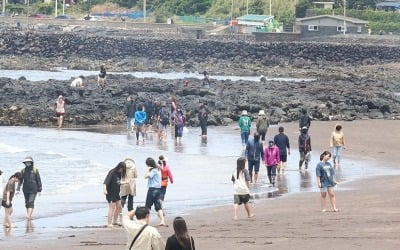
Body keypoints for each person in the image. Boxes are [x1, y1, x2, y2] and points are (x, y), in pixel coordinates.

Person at [103, 161, 126, 227]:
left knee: (119, 207)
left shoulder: (119, 173)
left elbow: (117, 182)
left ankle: (115, 221)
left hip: (116, 193)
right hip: (110, 193)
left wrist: (124, 183)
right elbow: (105, 183)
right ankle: (109, 223)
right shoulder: (112, 172)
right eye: (122, 169)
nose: (122, 171)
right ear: (119, 167)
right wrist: (104, 190)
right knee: (111, 208)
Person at [144, 157, 166, 226]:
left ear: (149, 164)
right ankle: (162, 221)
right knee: (158, 207)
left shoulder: (154, 170)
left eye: (147, 164)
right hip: (158, 190)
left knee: (147, 206)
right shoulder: (158, 169)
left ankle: (146, 222)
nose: (147, 166)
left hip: (152, 190)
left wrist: (147, 170)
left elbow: (146, 176)